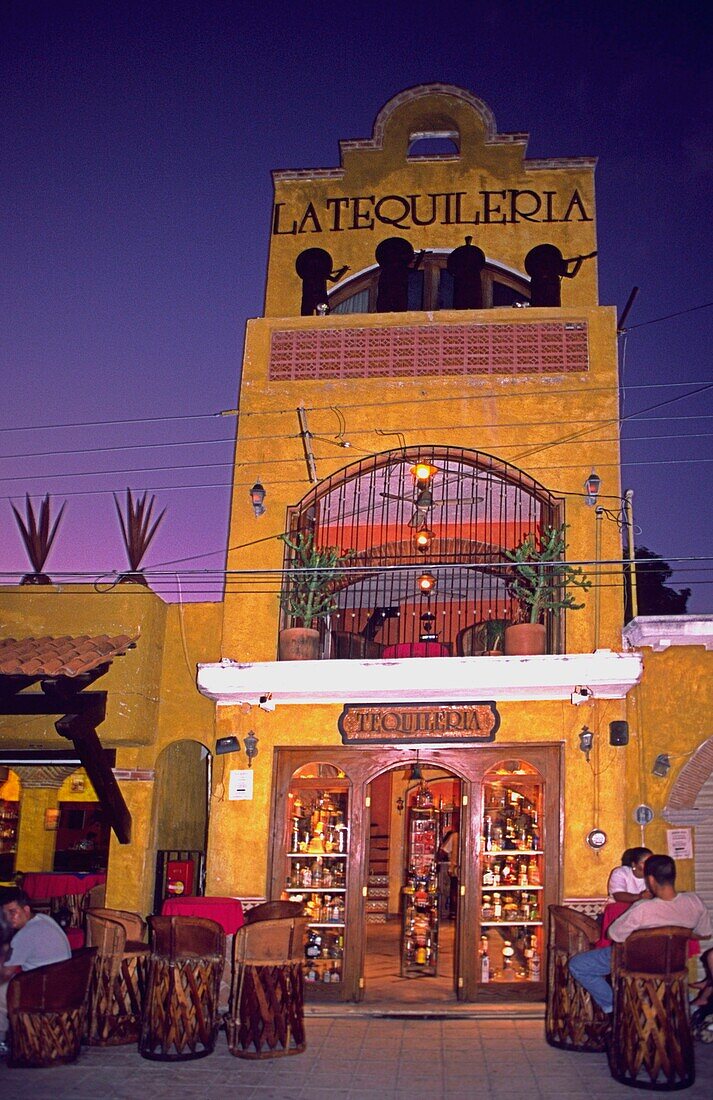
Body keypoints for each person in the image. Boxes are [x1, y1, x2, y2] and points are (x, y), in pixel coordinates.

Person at [569, 854, 712, 1016]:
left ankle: (614, 1008)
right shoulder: (694, 901)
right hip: (673, 964)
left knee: (578, 964)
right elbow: (705, 934)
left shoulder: (642, 908)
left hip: (636, 964)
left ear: (650, 880)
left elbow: (613, 935)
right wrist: (679, 934)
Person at [0, 888, 72, 1054]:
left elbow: (5, 972)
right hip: (62, 987)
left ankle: (2, 1040)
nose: (9, 918)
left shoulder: (25, 935)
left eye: (13, 912)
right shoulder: (44, 920)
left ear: (26, 910)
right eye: (5, 914)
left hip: (44, 993)